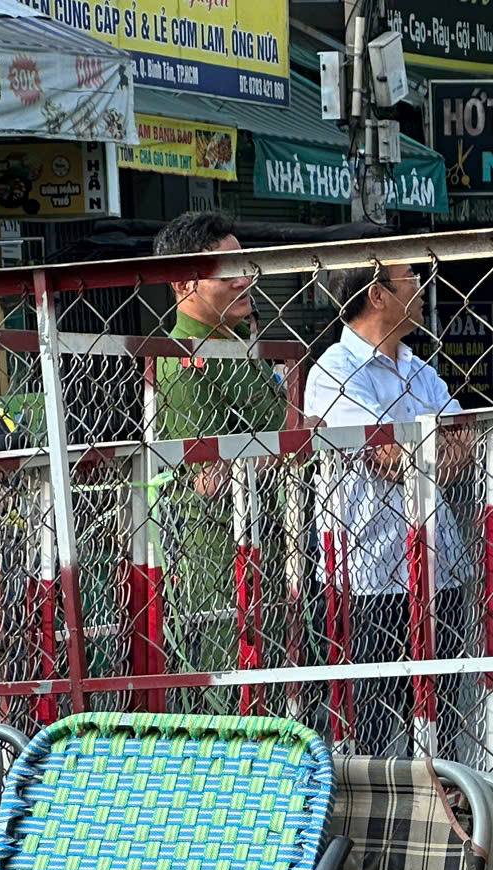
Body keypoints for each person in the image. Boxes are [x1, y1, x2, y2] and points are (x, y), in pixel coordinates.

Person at [302, 259, 476, 757]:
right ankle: (371, 818)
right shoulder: (333, 371)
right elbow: (387, 458)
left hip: (435, 564)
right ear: (377, 295)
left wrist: (420, 455)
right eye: (411, 279)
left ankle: (438, 808)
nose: (422, 288)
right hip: (366, 572)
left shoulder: (420, 369)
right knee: (368, 718)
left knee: (438, 709)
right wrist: (425, 452)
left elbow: (462, 444)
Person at [149, 210, 284, 690]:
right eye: (229, 273)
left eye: (246, 267)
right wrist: (290, 445)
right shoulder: (184, 360)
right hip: (218, 561)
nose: (245, 280)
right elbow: (210, 479)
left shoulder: (240, 349)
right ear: (186, 283)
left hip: (271, 546)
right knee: (238, 695)